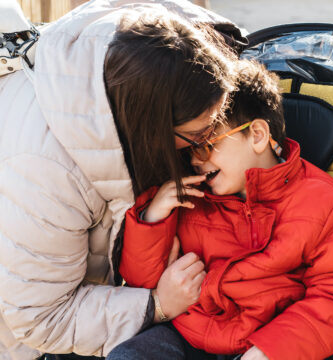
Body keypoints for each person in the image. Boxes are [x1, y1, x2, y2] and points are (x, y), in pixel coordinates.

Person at [0, 0, 243, 359]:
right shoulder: (46, 174)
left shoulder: (128, 46)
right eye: (198, 135)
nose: (205, 148)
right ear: (152, 129)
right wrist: (157, 304)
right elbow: (41, 319)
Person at [112, 60, 333, 360]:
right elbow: (141, 284)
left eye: (204, 145)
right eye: (188, 150)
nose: (195, 160)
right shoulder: (189, 198)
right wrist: (154, 217)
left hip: (277, 344)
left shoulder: (325, 202)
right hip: (190, 336)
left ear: (256, 135)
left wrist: (271, 350)